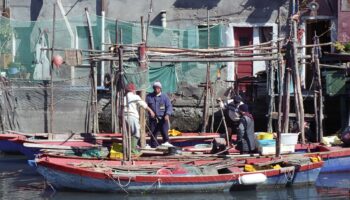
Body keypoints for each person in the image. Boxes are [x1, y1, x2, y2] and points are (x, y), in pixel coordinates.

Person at [124, 83, 155, 154]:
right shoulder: (135, 97)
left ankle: (128, 149)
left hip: (124, 117)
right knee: (136, 133)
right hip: (131, 116)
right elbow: (143, 104)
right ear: (133, 90)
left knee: (128, 134)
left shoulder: (124, 98)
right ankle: (132, 150)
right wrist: (150, 111)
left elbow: (120, 111)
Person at [146, 81, 173, 147]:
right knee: (153, 135)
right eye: (155, 88)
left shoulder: (164, 97)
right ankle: (154, 147)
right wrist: (149, 111)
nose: (156, 89)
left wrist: (167, 114)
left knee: (165, 134)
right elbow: (145, 105)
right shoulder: (149, 96)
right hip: (153, 119)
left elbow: (169, 106)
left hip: (163, 119)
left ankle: (166, 147)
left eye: (158, 88)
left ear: (160, 88)